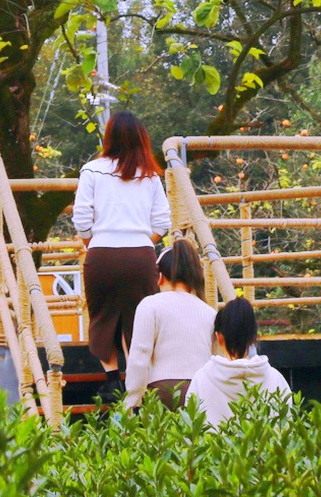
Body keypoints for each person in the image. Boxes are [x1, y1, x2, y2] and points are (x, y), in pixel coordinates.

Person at [73, 111, 171, 382]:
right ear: (141, 139)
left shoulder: (92, 170)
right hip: (140, 257)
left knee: (103, 318)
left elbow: (81, 216)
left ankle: (112, 382)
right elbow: (162, 221)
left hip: (101, 255)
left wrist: (92, 242)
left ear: (109, 137)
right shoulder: (150, 176)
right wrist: (140, 243)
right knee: (138, 322)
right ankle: (137, 388)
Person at [122, 238, 216, 411]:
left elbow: (140, 356)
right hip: (202, 392)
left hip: (162, 391)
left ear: (160, 277)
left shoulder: (150, 305)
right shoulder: (210, 312)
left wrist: (131, 400)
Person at [186, 296, 291, 427]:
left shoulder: (201, 379)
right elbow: (287, 427)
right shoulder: (276, 379)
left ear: (219, 337)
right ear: (253, 337)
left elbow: (190, 430)